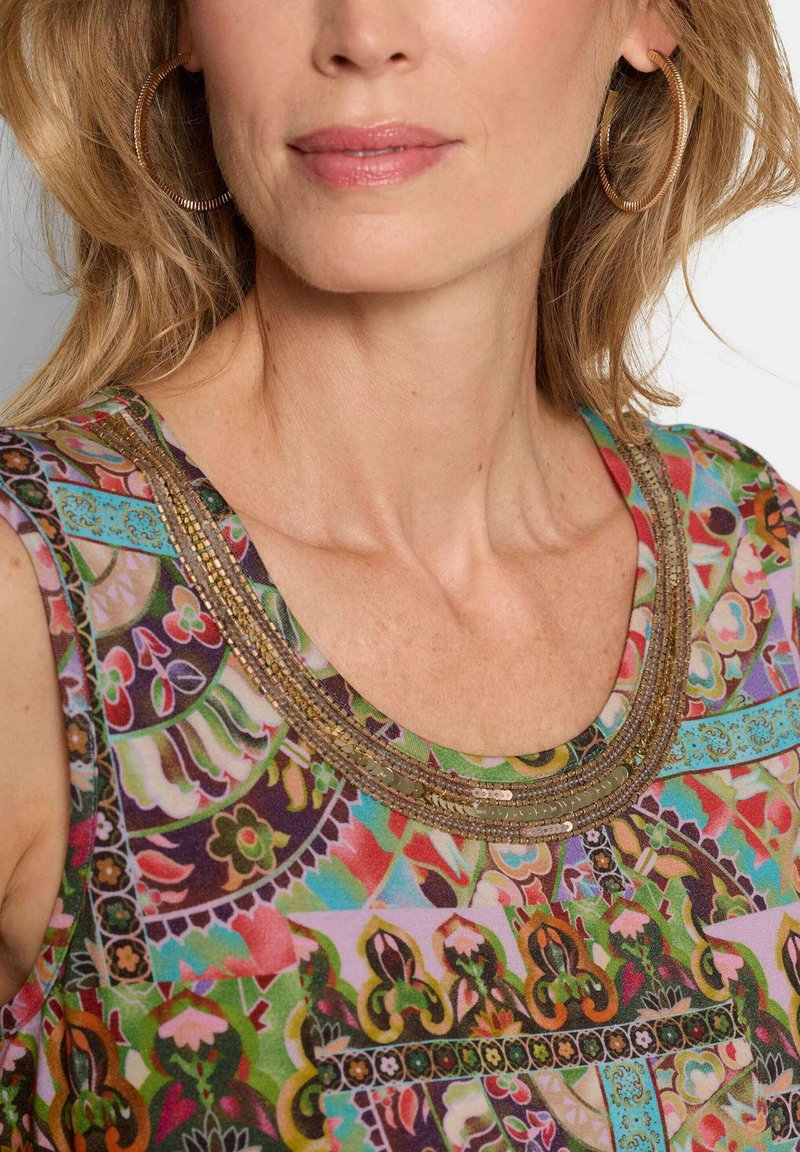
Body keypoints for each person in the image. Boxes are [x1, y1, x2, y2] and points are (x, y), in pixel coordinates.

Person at [0, 1, 799, 1148]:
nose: (363, 32)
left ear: (648, 15)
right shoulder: (33, 596)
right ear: (181, 24)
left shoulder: (756, 558)